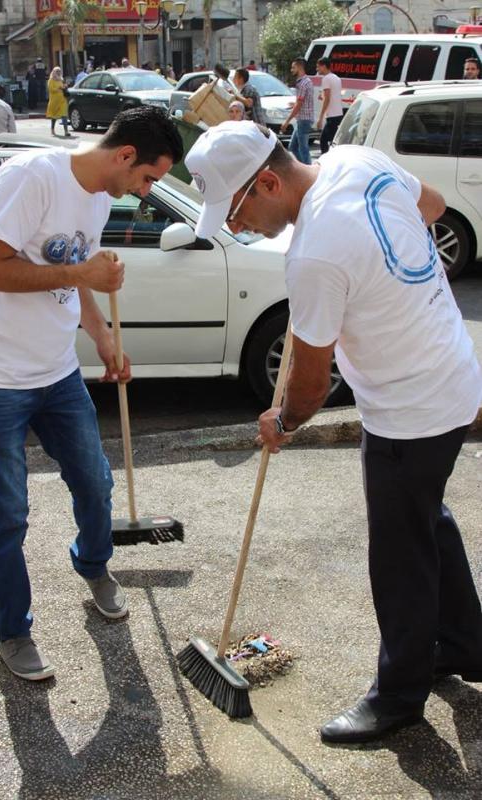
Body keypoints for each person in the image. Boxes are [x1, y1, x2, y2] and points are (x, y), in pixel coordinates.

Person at [185, 121, 482, 744]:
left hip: (409, 407)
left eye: (236, 212)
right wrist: (380, 280)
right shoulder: (356, 159)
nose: (238, 227)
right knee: (425, 516)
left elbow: (312, 386)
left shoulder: (315, 254)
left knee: (399, 553)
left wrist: (283, 422)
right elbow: (432, 207)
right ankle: (464, 643)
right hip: (454, 372)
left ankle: (398, 697)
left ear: (268, 183)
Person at [0, 106, 183, 682]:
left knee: (95, 482)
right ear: (125, 155)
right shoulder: (31, 178)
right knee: (7, 513)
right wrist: (82, 275)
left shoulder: (99, 198)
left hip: (56, 371)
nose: (147, 191)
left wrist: (102, 336)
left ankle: (94, 564)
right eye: (148, 177)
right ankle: (12, 630)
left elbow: (78, 278)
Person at [281, 58, 313, 165]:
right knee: (293, 147)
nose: (291, 70)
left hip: (304, 119)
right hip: (302, 119)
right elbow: (301, 102)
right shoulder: (305, 81)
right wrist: (294, 104)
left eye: (293, 67)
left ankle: (308, 169)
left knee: (303, 148)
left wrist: (287, 121)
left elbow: (299, 104)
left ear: (299, 67)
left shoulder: (302, 83)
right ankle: (303, 167)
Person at [316, 56, 343, 154]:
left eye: (318, 67)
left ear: (324, 66)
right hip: (338, 113)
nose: (317, 69)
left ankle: (325, 160)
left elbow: (327, 99)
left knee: (323, 141)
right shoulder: (336, 78)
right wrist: (322, 96)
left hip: (332, 115)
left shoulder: (326, 79)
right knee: (333, 141)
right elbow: (332, 95)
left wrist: (320, 117)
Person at [46, 66, 70, 137]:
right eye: (57, 71)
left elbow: (63, 87)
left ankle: (66, 131)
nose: (58, 73)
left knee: (64, 115)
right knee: (54, 117)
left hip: (62, 100)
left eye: (59, 71)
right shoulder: (51, 80)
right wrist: (59, 88)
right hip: (54, 101)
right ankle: (52, 129)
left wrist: (65, 86)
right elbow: (51, 89)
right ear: (53, 72)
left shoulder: (61, 79)